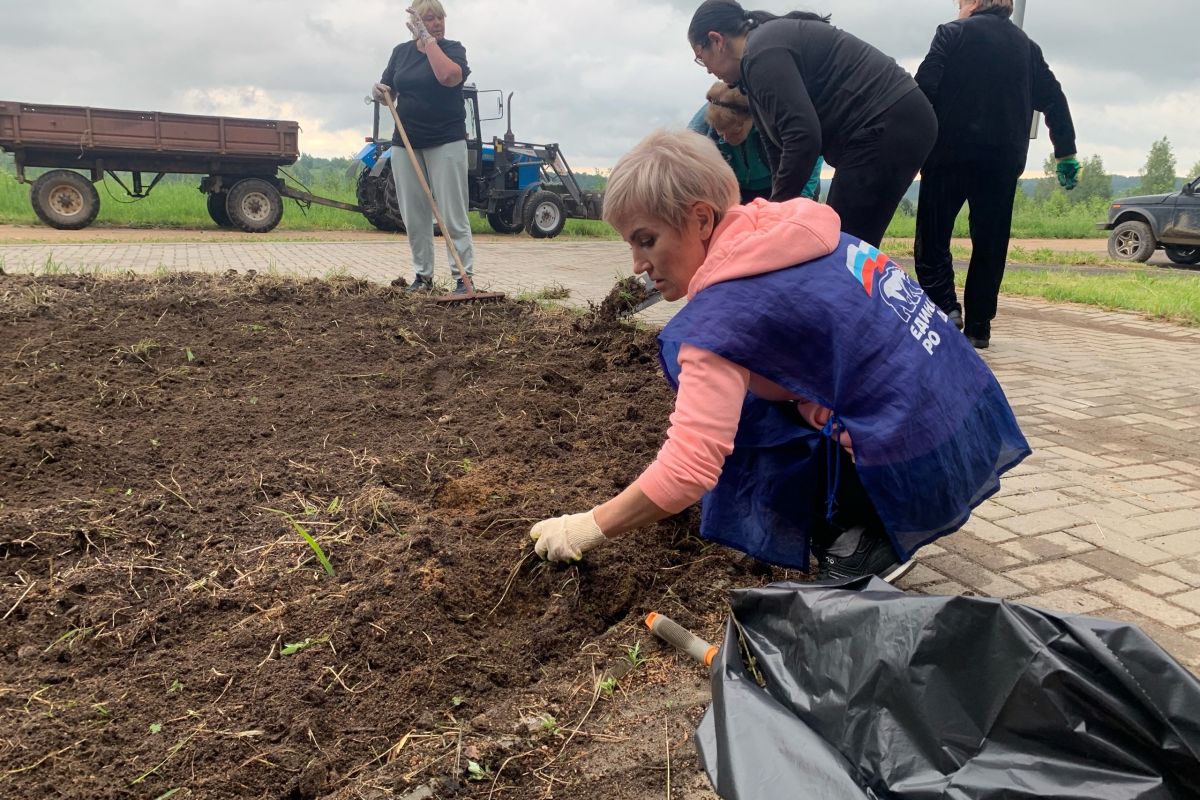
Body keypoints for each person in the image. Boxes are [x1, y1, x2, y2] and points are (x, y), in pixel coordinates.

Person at [529, 130, 1029, 582]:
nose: (638, 265)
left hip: (918, 456)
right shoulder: (794, 233)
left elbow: (690, 466)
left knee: (748, 422)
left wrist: (586, 526)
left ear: (702, 218)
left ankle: (869, 536)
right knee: (758, 397)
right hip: (969, 416)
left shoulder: (721, 321)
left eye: (646, 240)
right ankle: (869, 507)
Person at [687, 0, 937, 247]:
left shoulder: (762, 52)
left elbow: (803, 137)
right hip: (896, 123)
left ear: (716, 41)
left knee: (840, 245)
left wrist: (775, 213)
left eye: (701, 57)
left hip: (889, 121)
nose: (707, 70)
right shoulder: (752, 69)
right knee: (848, 245)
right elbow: (779, 146)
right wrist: (776, 209)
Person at [913, 0, 1078, 349]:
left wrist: (911, 143)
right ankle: (978, 325)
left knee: (933, 237)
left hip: (948, 155)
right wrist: (1065, 151)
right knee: (990, 243)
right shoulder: (1027, 47)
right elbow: (1055, 98)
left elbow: (924, 89)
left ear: (972, 2)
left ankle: (945, 307)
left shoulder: (951, 33)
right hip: (1001, 162)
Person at [372, 0, 475, 294]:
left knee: (452, 212)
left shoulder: (454, 50)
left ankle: (463, 278)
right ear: (414, 24)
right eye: (428, 19)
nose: (437, 23)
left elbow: (447, 77)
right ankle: (423, 277)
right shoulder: (400, 53)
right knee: (414, 214)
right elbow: (388, 88)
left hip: (446, 140)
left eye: (439, 18)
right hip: (407, 141)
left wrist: (428, 41)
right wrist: (379, 92)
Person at [686, 81, 823, 204]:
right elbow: (684, 158)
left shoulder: (772, 119)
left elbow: (809, 154)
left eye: (735, 132)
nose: (727, 139)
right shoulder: (701, 126)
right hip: (738, 189)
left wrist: (803, 198)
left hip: (781, 182)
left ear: (751, 119)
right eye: (721, 133)